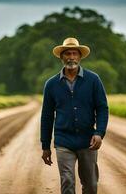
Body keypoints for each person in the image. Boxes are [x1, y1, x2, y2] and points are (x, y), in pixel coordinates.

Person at [40, 37, 109, 194]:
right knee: (67, 181)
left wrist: (99, 133)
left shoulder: (93, 80)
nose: (71, 57)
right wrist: (45, 145)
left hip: (88, 141)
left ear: (80, 56)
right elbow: (47, 116)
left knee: (91, 184)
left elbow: (102, 108)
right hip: (64, 141)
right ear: (61, 57)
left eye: (74, 53)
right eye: (67, 54)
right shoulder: (51, 84)